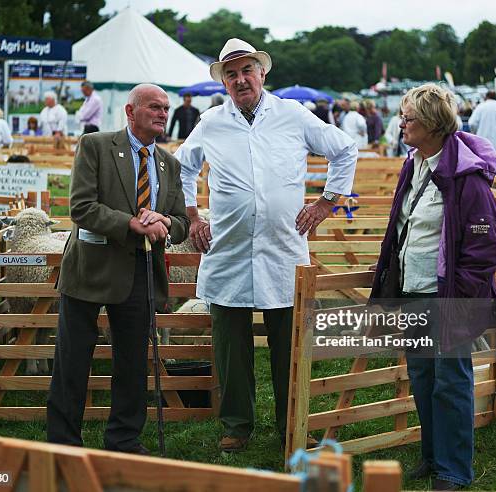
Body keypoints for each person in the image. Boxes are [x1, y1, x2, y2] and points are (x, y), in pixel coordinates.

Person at [175, 37, 357, 453]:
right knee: (230, 346)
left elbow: (345, 150)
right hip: (229, 249)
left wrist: (327, 202)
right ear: (224, 81)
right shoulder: (211, 123)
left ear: (262, 73)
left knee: (288, 346)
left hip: (282, 248)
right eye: (231, 74)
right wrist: (193, 216)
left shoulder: (293, 115)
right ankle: (237, 425)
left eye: (246, 71)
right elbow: (183, 166)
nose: (240, 80)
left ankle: (291, 422)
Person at [370, 83, 496, 490]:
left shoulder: (468, 177)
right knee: (424, 379)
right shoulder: (415, 164)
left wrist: (457, 301)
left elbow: (486, 248)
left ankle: (454, 469)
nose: (401, 123)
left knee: (450, 381)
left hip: (446, 298)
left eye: (408, 117)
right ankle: (433, 455)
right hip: (415, 292)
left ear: (431, 123)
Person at [47, 84, 190, 454]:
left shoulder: (169, 164)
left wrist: (165, 222)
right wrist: (131, 223)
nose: (162, 113)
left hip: (139, 272)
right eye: (154, 107)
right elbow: (80, 208)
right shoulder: (96, 146)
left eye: (166, 108)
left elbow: (180, 222)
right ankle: (63, 444)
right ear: (130, 111)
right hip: (89, 270)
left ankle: (124, 440)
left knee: (131, 364)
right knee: (72, 361)